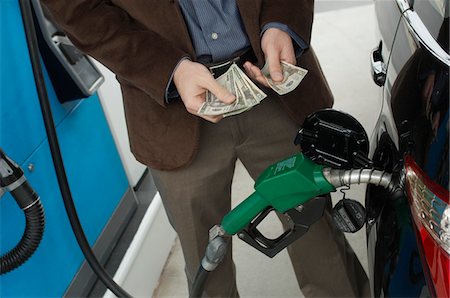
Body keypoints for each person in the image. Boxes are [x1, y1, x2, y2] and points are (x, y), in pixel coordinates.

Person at [42, 1, 369, 296]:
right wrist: (169, 70)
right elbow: (74, 8)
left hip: (272, 86)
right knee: (206, 261)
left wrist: (281, 24)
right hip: (170, 112)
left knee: (317, 235)